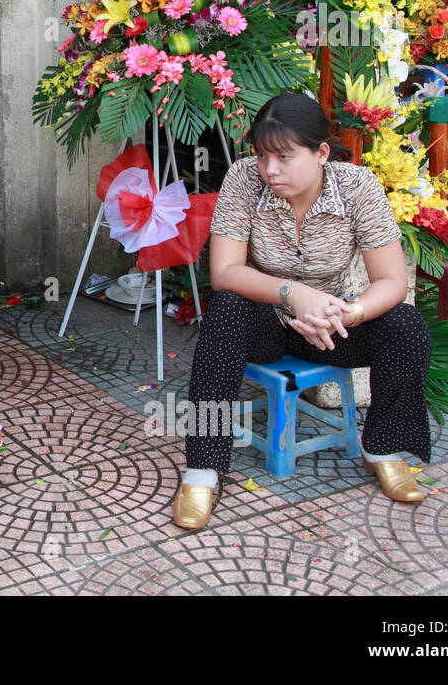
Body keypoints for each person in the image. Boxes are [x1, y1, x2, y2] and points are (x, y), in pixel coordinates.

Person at [171, 92, 432, 530]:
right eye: (262, 155)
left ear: (321, 153)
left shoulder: (357, 187)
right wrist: (293, 293)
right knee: (224, 310)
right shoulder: (243, 179)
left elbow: (392, 280)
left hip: (333, 328)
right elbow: (225, 271)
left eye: (285, 157)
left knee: (405, 324)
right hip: (266, 324)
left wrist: (346, 314)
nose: (270, 170)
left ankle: (382, 448)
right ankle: (203, 467)